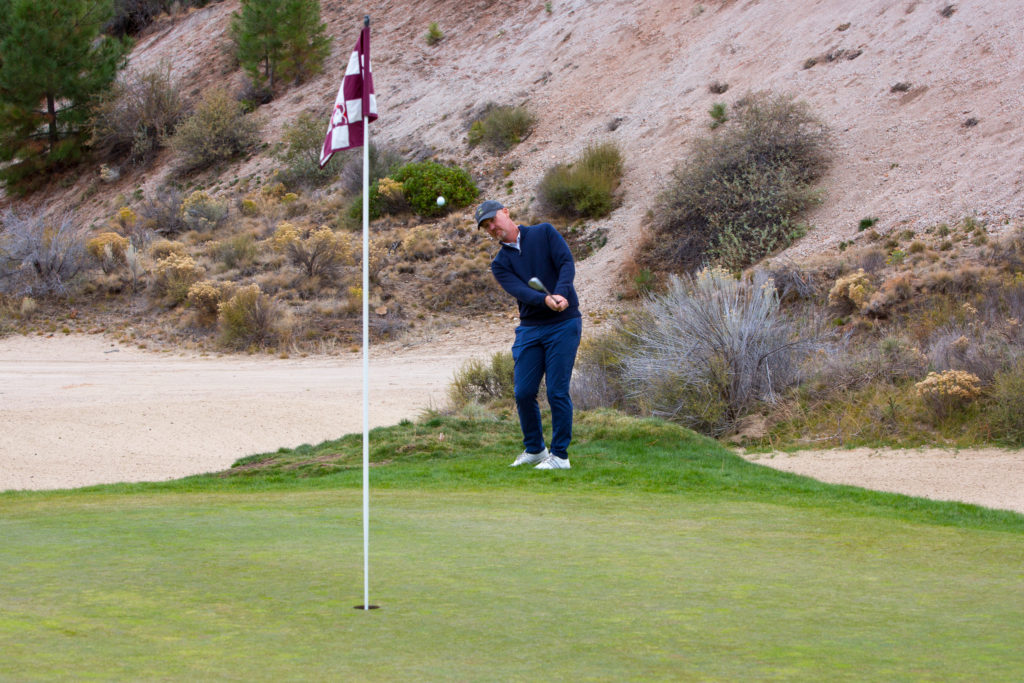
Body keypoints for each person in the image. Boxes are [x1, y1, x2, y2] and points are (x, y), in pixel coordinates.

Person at [475, 200, 582, 470]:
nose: (492, 227)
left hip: (563, 324)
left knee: (557, 390)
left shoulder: (544, 233)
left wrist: (561, 292)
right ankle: (535, 449)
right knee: (523, 392)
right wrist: (544, 300)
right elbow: (521, 292)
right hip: (531, 328)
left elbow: (566, 263)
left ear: (506, 213)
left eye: (492, 219)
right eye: (486, 226)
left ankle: (560, 456)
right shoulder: (500, 264)